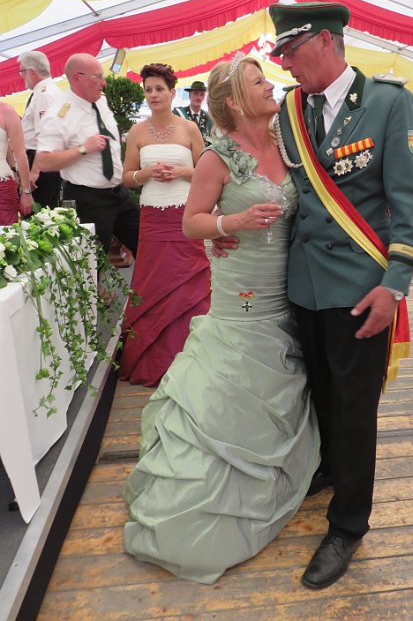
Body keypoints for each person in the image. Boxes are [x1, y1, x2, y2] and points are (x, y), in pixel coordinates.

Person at [123, 54, 319, 582]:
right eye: (259, 81)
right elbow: (191, 223)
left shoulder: (288, 143)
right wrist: (231, 222)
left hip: (290, 289)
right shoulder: (217, 157)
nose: (270, 86)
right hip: (243, 292)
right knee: (234, 379)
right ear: (234, 101)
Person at [265, 2, 413, 590]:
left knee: (356, 408)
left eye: (291, 52)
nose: (286, 65)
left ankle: (348, 525)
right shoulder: (291, 110)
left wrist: (394, 285)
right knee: (321, 392)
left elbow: (410, 205)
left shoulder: (387, 103)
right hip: (305, 283)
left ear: (326, 42)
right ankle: (332, 469)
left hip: (362, 288)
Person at [118, 63, 211, 387]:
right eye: (149, 90)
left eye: (159, 89)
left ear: (172, 93)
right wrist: (145, 174)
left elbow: (207, 171)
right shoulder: (137, 132)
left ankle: (194, 357)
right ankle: (152, 360)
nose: (154, 94)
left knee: (188, 281)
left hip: (185, 216)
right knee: (152, 282)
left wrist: (182, 172)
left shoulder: (190, 129)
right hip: (152, 218)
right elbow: (126, 178)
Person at [36, 53, 140, 256]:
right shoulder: (59, 113)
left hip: (118, 192)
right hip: (88, 199)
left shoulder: (101, 102)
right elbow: (44, 161)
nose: (103, 83)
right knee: (93, 260)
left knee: (147, 247)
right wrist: (83, 149)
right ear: (77, 78)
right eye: (97, 77)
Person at [18, 51, 62, 209]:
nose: (21, 76)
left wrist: (35, 171)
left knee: (39, 214)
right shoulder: (46, 91)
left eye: (22, 71)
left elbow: (47, 136)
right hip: (43, 163)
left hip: (41, 165)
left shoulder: (44, 94)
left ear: (32, 73)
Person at [0, 102, 33, 224]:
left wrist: (26, 192)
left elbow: (20, 155)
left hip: (2, 187)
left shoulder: (6, 111)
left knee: (6, 232)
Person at [173, 80, 213, 144]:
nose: (199, 97)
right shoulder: (178, 114)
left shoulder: (209, 118)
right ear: (189, 95)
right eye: (195, 94)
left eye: (202, 94)